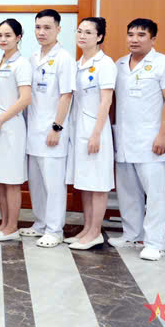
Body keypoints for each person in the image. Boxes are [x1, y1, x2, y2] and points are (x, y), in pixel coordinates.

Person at [112, 18, 165, 261]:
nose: (134, 39)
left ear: (153, 39)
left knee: (155, 195)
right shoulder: (119, 64)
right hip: (124, 139)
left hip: (152, 140)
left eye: (141, 35)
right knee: (127, 191)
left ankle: (154, 242)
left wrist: (163, 134)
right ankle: (132, 234)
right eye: (130, 34)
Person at [20, 9, 76, 248]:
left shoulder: (64, 58)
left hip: (53, 131)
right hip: (33, 130)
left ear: (58, 29)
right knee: (37, 182)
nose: (41, 32)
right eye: (38, 27)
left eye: (47, 28)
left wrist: (56, 127)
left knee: (53, 184)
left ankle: (55, 229)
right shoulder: (32, 57)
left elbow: (66, 96)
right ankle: (41, 223)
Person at [65, 17, 116, 250]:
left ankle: (96, 231)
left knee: (98, 183)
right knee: (84, 182)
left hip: (96, 131)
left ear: (100, 37)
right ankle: (86, 228)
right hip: (78, 130)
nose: (82, 36)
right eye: (79, 31)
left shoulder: (105, 64)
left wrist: (96, 134)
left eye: (88, 32)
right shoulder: (77, 63)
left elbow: (106, 101)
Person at [0, 19, 32, 241]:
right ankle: (3, 224)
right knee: (1, 179)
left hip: (11, 127)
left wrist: (0, 119)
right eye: (0, 35)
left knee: (12, 180)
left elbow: (25, 99)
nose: (3, 39)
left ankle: (12, 227)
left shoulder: (21, 64)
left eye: (8, 35)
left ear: (18, 38)